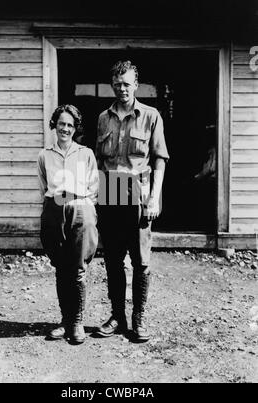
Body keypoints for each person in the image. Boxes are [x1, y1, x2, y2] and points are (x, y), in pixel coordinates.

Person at [95, 60, 169, 342]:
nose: (122, 88)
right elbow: (100, 161)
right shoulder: (103, 117)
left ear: (136, 85)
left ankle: (139, 319)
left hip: (139, 192)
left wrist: (154, 198)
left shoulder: (151, 116)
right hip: (111, 189)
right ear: (112, 84)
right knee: (113, 259)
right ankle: (117, 316)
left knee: (140, 261)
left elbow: (160, 159)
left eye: (127, 83)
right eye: (117, 83)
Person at [37, 104, 99, 344]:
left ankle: (77, 322)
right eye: (61, 123)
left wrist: (86, 210)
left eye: (70, 125)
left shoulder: (86, 153)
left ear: (76, 129)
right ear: (55, 125)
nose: (65, 128)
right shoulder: (44, 155)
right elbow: (44, 188)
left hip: (80, 210)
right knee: (61, 267)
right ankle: (65, 320)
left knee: (78, 269)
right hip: (54, 211)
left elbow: (94, 188)